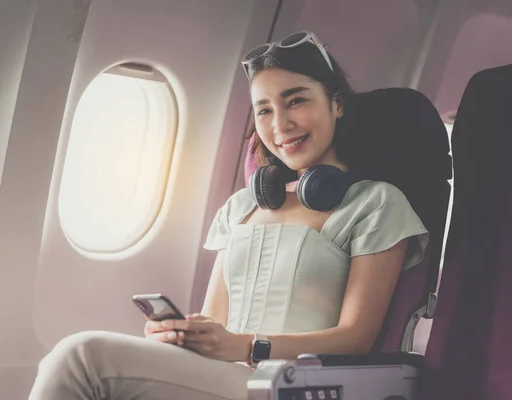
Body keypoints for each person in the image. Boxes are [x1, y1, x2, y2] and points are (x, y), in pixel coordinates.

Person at [28, 31, 429, 400]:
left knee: (82, 358)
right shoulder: (242, 206)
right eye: (264, 111)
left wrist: (249, 347)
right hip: (225, 374)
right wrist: (186, 335)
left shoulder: (376, 203)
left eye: (296, 100)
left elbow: (357, 338)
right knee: (75, 359)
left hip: (295, 383)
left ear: (336, 103)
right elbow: (216, 320)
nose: (281, 124)